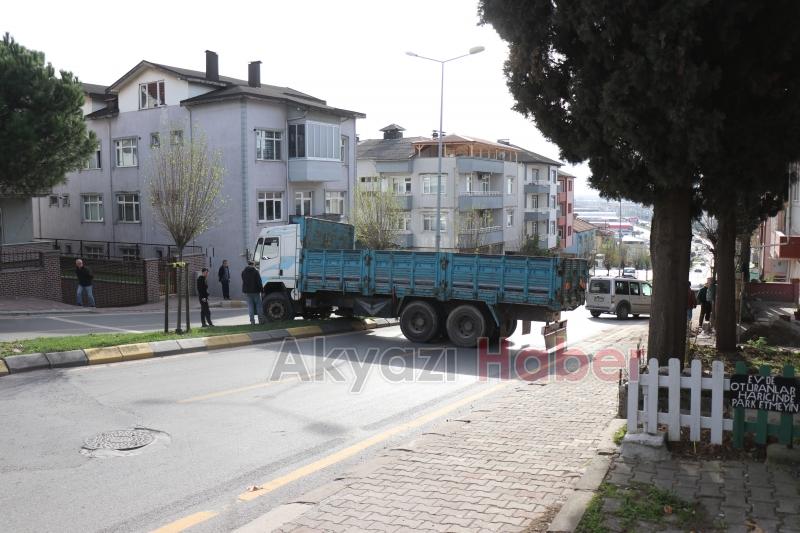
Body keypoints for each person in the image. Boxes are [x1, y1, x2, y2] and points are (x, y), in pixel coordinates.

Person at [241, 261, 263, 325]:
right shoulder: (256, 271)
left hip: (247, 292)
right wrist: (262, 290)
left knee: (250, 307)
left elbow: (243, 281)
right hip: (256, 291)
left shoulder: (243, 272)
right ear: (253, 265)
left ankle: (252, 321)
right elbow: (259, 282)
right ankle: (260, 320)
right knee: (259, 306)